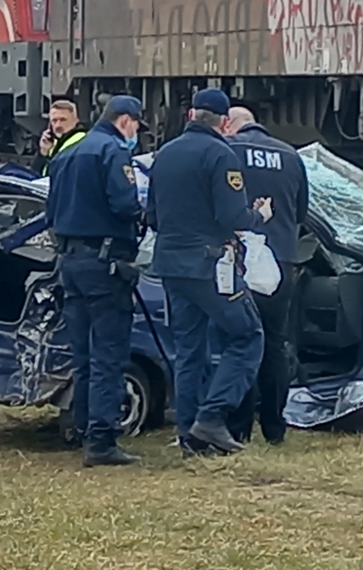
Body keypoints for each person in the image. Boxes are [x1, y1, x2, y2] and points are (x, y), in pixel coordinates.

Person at [145, 89, 272, 457]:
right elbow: (232, 217)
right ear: (224, 123)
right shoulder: (221, 155)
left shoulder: (164, 154)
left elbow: (152, 216)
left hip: (170, 265)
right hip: (211, 265)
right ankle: (213, 417)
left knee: (189, 350)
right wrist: (258, 216)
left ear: (190, 115)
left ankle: (190, 435)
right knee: (248, 336)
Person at [46, 94, 146, 467]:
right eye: (136, 126)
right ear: (125, 121)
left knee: (83, 355)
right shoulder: (112, 152)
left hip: (70, 262)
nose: (136, 133)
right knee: (109, 353)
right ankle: (102, 441)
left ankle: (81, 426)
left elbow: (51, 212)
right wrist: (141, 213)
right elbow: (124, 204)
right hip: (105, 264)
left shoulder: (67, 153)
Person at [223, 105, 309, 446]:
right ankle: (274, 426)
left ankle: (238, 427)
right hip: (282, 263)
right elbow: (301, 212)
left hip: (240, 262)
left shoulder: (227, 151)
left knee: (240, 341)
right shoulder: (290, 156)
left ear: (229, 126)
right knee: (274, 343)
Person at [31, 99, 87, 176]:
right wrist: (43, 152)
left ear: (75, 120)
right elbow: (35, 173)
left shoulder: (82, 140)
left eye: (63, 120)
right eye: (54, 121)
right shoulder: (54, 142)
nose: (58, 125)